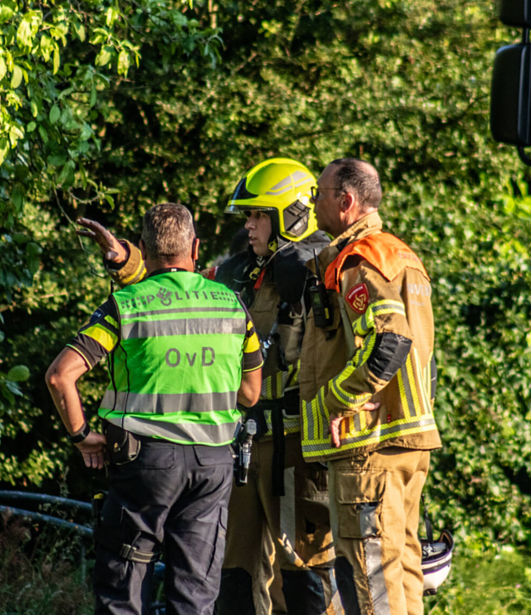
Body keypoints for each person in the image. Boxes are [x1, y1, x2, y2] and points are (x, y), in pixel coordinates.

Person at [77, 158, 343, 615]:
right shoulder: (240, 272)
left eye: (257, 215)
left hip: (299, 451)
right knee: (230, 582)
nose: (249, 225)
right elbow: (176, 288)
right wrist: (128, 261)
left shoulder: (331, 273)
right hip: (238, 448)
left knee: (302, 583)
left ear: (291, 215)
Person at [45, 203, 264, 615]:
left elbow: (60, 376)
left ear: (142, 249)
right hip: (212, 466)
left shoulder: (128, 304)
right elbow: (251, 393)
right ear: (195, 248)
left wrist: (81, 436)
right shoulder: (232, 306)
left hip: (143, 465)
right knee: (195, 597)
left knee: (125, 594)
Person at [299, 158, 440, 615]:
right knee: (403, 574)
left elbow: (391, 337)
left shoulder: (358, 260)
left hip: (369, 451)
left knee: (369, 581)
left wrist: (339, 400)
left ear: (346, 202)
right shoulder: (403, 255)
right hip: (409, 443)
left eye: (319, 193)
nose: (312, 203)